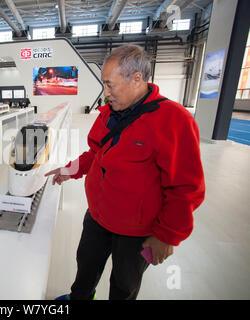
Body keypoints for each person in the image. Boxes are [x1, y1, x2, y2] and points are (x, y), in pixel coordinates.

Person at [45, 45, 205, 300]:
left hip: (136, 231)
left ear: (137, 79)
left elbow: (186, 187)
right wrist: (69, 169)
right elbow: (95, 153)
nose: (105, 94)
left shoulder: (174, 120)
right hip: (97, 217)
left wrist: (167, 236)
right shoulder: (108, 113)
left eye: (110, 85)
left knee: (124, 285)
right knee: (85, 269)